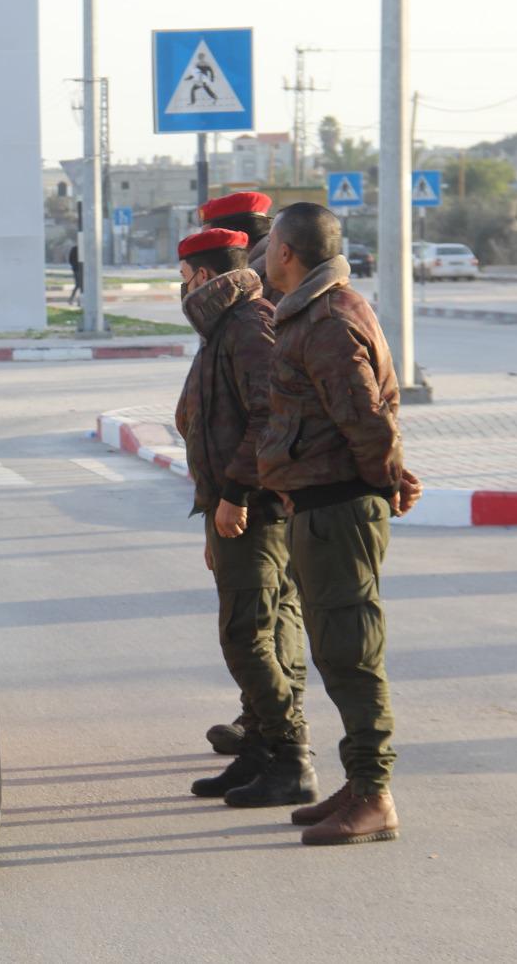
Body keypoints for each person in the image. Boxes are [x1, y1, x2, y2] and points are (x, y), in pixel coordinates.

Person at [258, 201, 422, 846]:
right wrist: (389, 474)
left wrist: (383, 478)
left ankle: (375, 794)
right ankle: (358, 783)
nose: (264, 254)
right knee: (334, 647)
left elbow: (364, 416)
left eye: (270, 244)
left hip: (337, 506)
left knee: (352, 651)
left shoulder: (325, 318)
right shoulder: (319, 311)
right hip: (323, 503)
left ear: (289, 253)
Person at [175, 229, 317, 810]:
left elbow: (269, 417)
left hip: (256, 509)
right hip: (231, 506)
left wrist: (234, 493)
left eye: (183, 276)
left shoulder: (248, 325)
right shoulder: (223, 325)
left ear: (205, 276)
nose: (178, 287)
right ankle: (259, 751)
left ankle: (290, 756)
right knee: (250, 631)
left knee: (248, 636)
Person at [193, 191, 303, 756]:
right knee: (264, 619)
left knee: (257, 626)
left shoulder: (254, 304)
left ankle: (284, 743)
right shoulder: (241, 303)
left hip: (265, 496)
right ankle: (266, 731)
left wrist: (235, 492)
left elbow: (268, 412)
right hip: (251, 493)